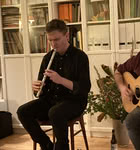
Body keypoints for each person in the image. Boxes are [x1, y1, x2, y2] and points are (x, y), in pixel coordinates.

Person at [17, 19, 91, 150]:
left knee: (55, 113)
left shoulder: (80, 57)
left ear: (67, 36)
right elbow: (40, 93)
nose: (53, 44)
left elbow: (84, 89)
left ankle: (62, 147)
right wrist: (37, 88)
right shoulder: (48, 58)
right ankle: (47, 145)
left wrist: (61, 80)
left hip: (74, 101)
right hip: (52, 101)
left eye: (56, 39)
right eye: (50, 40)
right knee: (23, 111)